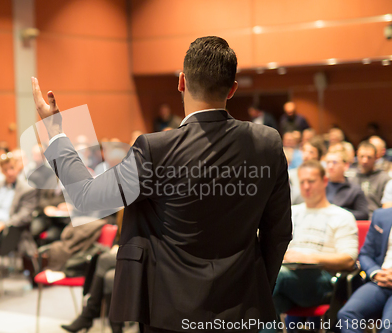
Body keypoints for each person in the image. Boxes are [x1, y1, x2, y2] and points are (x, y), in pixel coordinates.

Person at [32, 36, 292, 333]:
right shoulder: (268, 142)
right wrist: (258, 288)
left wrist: (54, 130)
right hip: (243, 310)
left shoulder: (156, 149)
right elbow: (279, 232)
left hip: (169, 312)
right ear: (232, 89)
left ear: (181, 82)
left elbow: (87, 197)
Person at [272, 161, 358, 331]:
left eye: (311, 181)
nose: (305, 186)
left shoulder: (342, 216)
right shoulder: (290, 212)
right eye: (302, 182)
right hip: (287, 278)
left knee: (273, 280)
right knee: (264, 304)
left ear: (325, 181)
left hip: (323, 281)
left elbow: (348, 260)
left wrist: (308, 258)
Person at [337, 207, 392, 333]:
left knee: (388, 327)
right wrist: (376, 273)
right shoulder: (381, 215)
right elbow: (365, 254)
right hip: (380, 279)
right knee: (347, 315)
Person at [0, 155, 37, 257]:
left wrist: (3, 224)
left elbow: (24, 215)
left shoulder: (27, 189)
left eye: (12, 168)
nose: (9, 172)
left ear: (17, 167)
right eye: (5, 170)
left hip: (6, 229)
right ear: (1, 171)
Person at [348, 141, 390, 216]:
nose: (365, 160)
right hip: (355, 217)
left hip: (375, 219)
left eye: (369, 157)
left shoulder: (384, 179)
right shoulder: (350, 177)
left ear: (376, 157)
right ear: (357, 155)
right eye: (362, 156)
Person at [325, 149, 369, 220]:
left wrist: (338, 213)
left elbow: (363, 214)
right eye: (328, 162)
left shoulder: (355, 190)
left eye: (334, 162)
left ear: (346, 165)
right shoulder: (320, 187)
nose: (330, 166)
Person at [289, 137, 326, 205]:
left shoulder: (325, 175)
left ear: (319, 156)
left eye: (311, 152)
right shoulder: (292, 174)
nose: (306, 155)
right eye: (304, 151)